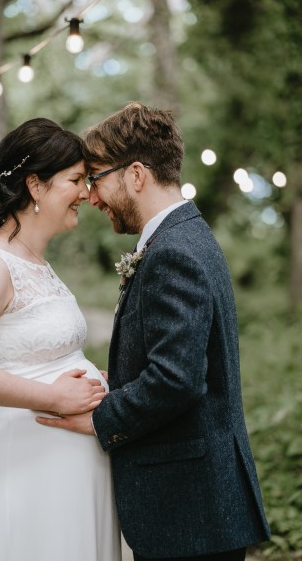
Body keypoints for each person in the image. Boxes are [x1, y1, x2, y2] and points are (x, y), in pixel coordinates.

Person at [37, 103, 271, 561]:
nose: (93, 196)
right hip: (202, 506)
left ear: (136, 174)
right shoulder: (188, 235)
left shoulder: (171, 253)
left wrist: (102, 418)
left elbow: (176, 378)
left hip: (191, 511)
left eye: (98, 176)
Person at [0, 118, 121, 561]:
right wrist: (54, 395)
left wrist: (94, 378)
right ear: (35, 186)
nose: (87, 194)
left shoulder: (35, 260)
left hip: (58, 471)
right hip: (18, 468)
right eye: (75, 180)